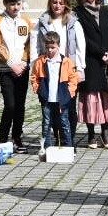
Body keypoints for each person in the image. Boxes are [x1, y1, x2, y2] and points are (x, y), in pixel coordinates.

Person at [35, 0, 85, 149]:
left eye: (61, 3)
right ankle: (56, 142)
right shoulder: (43, 22)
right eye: (54, 2)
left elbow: (80, 46)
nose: (57, 5)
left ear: (66, 5)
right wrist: (34, 67)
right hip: (48, 71)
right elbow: (35, 45)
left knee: (68, 108)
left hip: (67, 71)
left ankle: (69, 142)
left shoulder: (72, 22)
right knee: (51, 110)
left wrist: (80, 68)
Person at [0, 0, 34, 153]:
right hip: (6, 70)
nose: (16, 7)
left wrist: (23, 62)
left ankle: (17, 137)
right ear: (5, 4)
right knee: (10, 105)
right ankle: (3, 136)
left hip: (22, 69)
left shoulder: (26, 22)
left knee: (20, 105)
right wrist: (11, 63)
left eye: (18, 3)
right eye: (11, 4)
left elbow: (30, 44)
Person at [74, 0, 108, 149]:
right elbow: (82, 38)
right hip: (90, 60)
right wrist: (101, 53)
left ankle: (105, 134)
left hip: (107, 61)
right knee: (91, 97)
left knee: (106, 96)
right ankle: (91, 135)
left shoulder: (105, 11)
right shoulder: (78, 12)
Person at [31, 31, 80, 160]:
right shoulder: (40, 62)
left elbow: (73, 79)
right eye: (47, 47)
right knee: (46, 124)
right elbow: (34, 77)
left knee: (65, 124)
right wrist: (38, 90)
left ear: (58, 46)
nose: (50, 50)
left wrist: (69, 93)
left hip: (62, 99)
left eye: (53, 47)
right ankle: (47, 149)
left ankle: (69, 148)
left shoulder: (67, 62)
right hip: (47, 99)